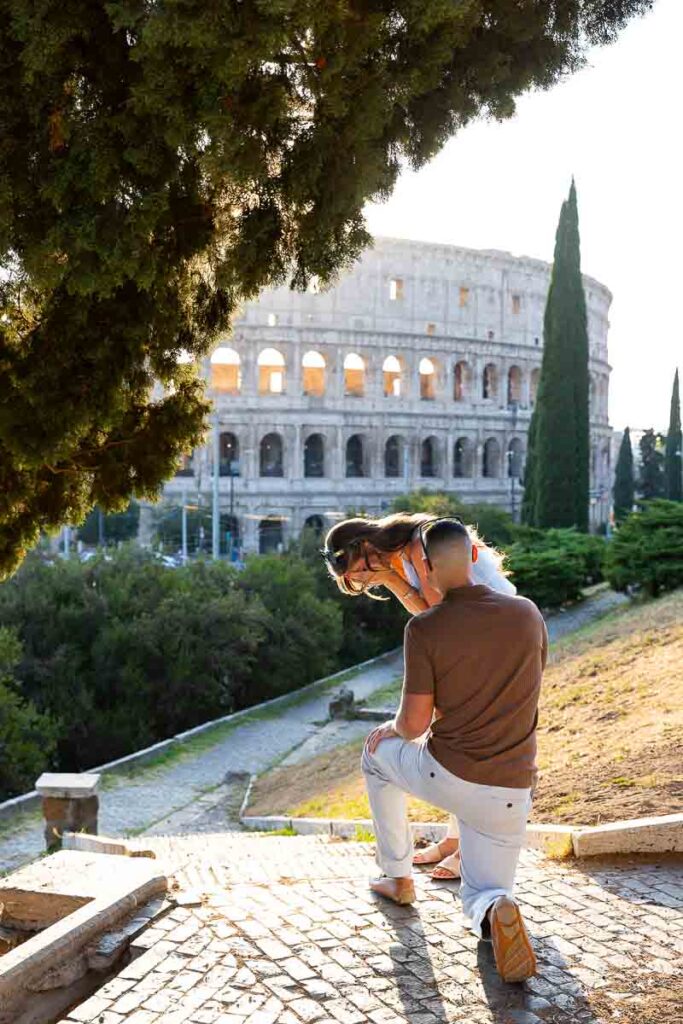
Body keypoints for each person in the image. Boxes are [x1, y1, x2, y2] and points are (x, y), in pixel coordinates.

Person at [350, 518, 546, 983]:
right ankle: (496, 909)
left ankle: (396, 877)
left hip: (451, 776)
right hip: (512, 790)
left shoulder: (426, 629)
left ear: (429, 572)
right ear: (475, 557)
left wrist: (389, 729)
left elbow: (414, 724)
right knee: (485, 891)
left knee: (375, 757)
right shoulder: (528, 614)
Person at [321, 511, 516, 880]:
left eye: (357, 573)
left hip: (487, 639)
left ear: (363, 545)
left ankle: (464, 852)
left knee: (464, 742)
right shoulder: (401, 553)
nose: (361, 581)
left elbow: (439, 617)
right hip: (475, 637)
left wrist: (403, 726)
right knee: (454, 736)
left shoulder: (419, 545)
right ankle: (454, 841)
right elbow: (429, 613)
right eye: (356, 582)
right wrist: (392, 579)